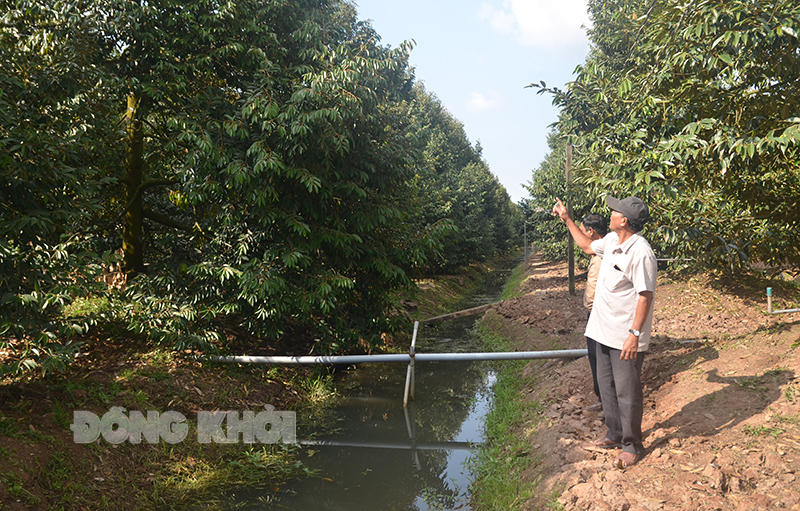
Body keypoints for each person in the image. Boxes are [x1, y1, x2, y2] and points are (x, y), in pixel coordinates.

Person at [552, 196, 657, 468]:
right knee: (606, 387)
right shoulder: (611, 241)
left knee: (627, 391)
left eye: (614, 211)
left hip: (624, 335)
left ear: (624, 220)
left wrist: (634, 334)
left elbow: (645, 295)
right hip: (600, 330)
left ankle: (632, 445)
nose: (609, 213)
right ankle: (615, 433)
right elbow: (586, 246)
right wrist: (566, 219)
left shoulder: (640, 252)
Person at [579, 213, 607, 413]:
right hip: (595, 313)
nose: (581, 237)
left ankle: (604, 400)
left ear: (591, 231)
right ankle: (602, 397)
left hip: (601, 313)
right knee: (594, 356)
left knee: (600, 357)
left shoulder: (605, 249)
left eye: (583, 232)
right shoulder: (601, 250)